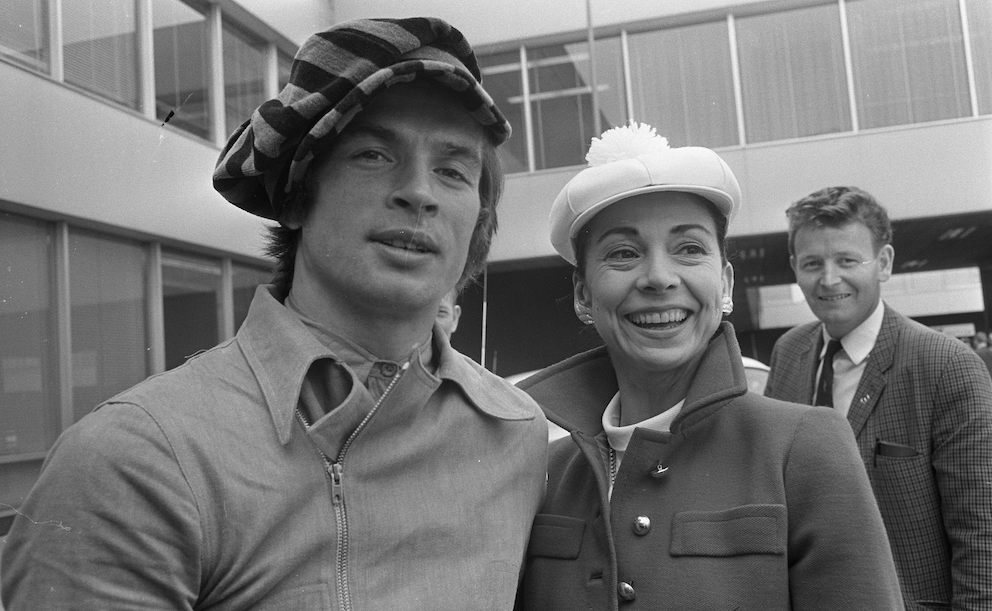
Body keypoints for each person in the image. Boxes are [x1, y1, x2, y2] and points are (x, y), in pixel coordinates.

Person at [0, 17, 548, 610]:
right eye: (372, 153)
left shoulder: (515, 432)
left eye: (453, 170)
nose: (420, 191)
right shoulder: (138, 459)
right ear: (293, 196)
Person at [516, 124, 903, 609]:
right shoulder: (539, 473)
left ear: (724, 284)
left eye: (689, 249)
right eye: (623, 253)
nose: (658, 277)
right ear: (582, 295)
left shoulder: (805, 448)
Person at [764, 186, 992, 609]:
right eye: (813, 263)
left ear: (883, 263)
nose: (829, 279)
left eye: (847, 260)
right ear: (796, 266)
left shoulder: (946, 366)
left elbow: (982, 534)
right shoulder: (789, 353)